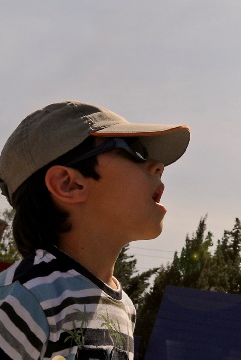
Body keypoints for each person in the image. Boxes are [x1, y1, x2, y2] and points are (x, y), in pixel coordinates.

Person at [0, 101, 190, 359]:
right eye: (135, 151)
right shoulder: (26, 297)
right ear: (69, 184)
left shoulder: (124, 307)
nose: (158, 165)